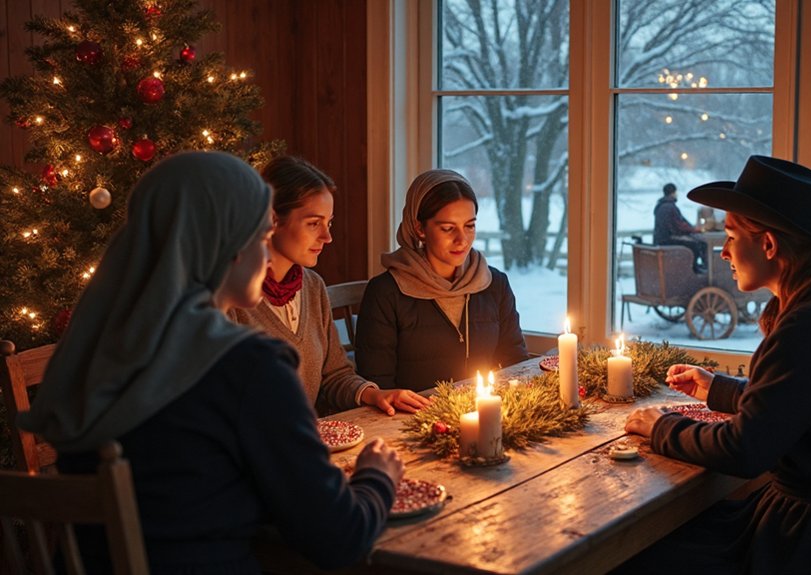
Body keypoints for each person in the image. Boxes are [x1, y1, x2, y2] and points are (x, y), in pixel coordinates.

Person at [19, 151, 404, 573]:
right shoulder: (246, 366)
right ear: (227, 248)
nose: (267, 253)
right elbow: (340, 538)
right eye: (260, 237)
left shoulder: (92, 353)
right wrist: (376, 475)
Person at [622, 156, 811, 574]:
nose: (722, 252)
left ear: (769, 245)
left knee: (638, 556)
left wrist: (660, 426)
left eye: (730, 236)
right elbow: (797, 402)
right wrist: (716, 388)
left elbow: (744, 450)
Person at [230, 156, 429, 416]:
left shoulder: (312, 286)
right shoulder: (230, 297)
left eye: (329, 222)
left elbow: (334, 375)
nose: (327, 237)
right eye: (314, 223)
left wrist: (374, 394)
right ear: (273, 220)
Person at [356, 169, 529, 392]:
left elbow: (514, 362)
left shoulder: (494, 284)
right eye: (448, 228)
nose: (462, 240)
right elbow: (379, 385)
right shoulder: (386, 293)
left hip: (487, 416)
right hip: (414, 420)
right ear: (420, 229)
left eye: (470, 226)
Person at [653, 182, 708, 270]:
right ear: (673, 193)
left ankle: (696, 268)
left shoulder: (661, 206)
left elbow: (679, 222)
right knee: (698, 244)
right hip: (667, 240)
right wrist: (694, 230)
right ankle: (695, 269)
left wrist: (691, 229)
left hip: (662, 239)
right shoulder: (670, 207)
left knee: (696, 242)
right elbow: (679, 225)